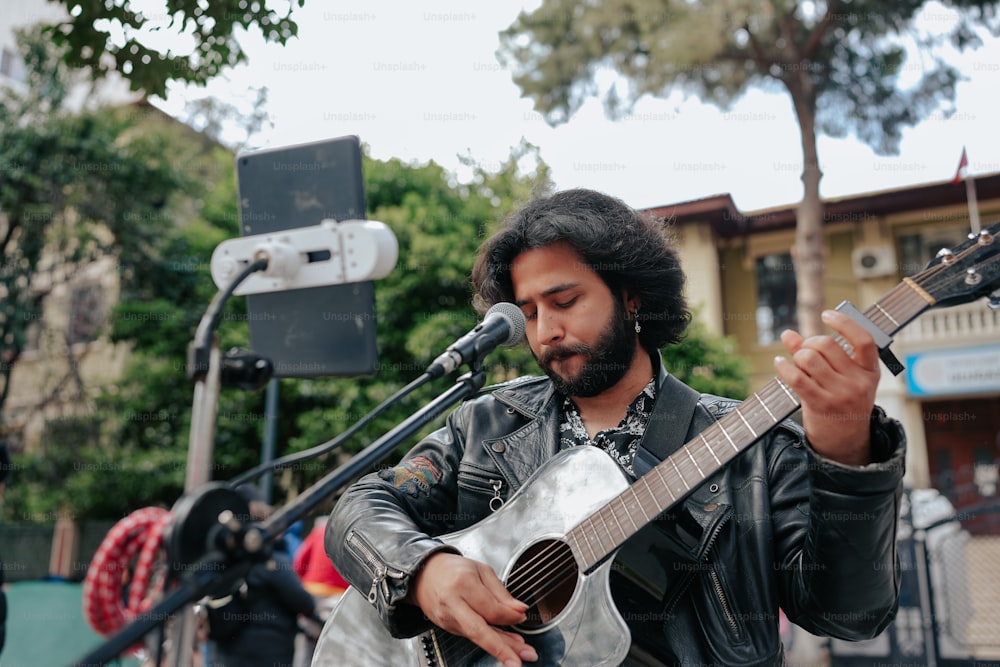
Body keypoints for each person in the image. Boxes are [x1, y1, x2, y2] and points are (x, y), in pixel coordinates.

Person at [325, 189, 906, 666]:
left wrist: (846, 453)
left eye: (564, 300)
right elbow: (360, 505)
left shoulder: (757, 449)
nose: (545, 330)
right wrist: (423, 571)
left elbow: (848, 616)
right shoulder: (487, 424)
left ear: (631, 296)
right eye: (528, 313)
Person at [209, 485, 319, 667]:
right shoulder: (268, 557)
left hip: (227, 653)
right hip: (267, 652)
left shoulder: (224, 555)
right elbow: (301, 600)